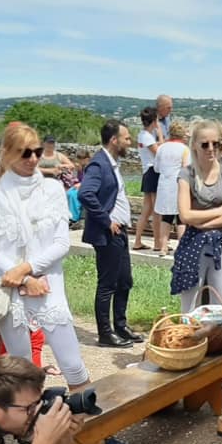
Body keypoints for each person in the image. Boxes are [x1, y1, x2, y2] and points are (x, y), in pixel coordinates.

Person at [0, 123, 91, 391]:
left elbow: (62, 242)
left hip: (47, 284)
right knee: (22, 367)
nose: (33, 159)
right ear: (9, 153)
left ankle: (90, 425)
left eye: (37, 151)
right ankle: (32, 427)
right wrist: (23, 278)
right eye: (25, 153)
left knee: (71, 362)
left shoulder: (51, 189)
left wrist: (26, 269)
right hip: (10, 288)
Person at [79, 118, 144, 348]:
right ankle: (105, 333)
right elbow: (85, 194)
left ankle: (121, 326)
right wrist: (107, 220)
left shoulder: (112, 164)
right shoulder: (99, 164)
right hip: (108, 234)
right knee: (107, 284)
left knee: (124, 280)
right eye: (126, 138)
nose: (130, 142)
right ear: (114, 140)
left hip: (119, 233)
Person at [172, 120, 222, 312]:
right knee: (190, 304)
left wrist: (203, 222)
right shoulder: (187, 174)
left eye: (216, 144)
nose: (211, 149)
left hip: (221, 244)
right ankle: (191, 340)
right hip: (194, 244)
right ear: (195, 145)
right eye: (205, 144)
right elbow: (185, 215)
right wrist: (221, 210)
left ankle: (219, 341)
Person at [153, 121, 189, 256]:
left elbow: (156, 168)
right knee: (181, 218)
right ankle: (182, 247)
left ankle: (163, 247)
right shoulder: (184, 149)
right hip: (179, 185)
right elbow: (186, 167)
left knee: (166, 217)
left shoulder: (162, 148)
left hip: (164, 185)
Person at [134, 106, 162, 251]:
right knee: (156, 210)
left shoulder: (142, 135)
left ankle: (138, 240)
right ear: (154, 120)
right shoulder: (147, 136)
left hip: (147, 172)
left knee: (147, 209)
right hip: (152, 172)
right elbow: (159, 153)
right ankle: (158, 243)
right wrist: (161, 134)